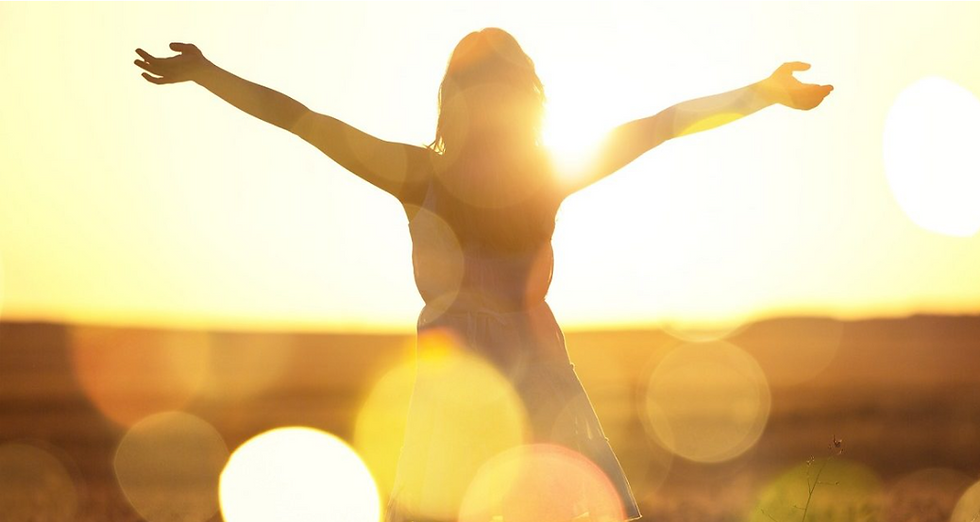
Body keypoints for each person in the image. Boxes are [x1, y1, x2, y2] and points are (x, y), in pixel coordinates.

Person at [135, 27, 832, 522]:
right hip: (476, 388)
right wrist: (208, 74)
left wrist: (764, 93)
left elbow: (662, 125)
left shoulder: (505, 176)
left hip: (509, 384)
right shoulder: (452, 174)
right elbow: (304, 121)